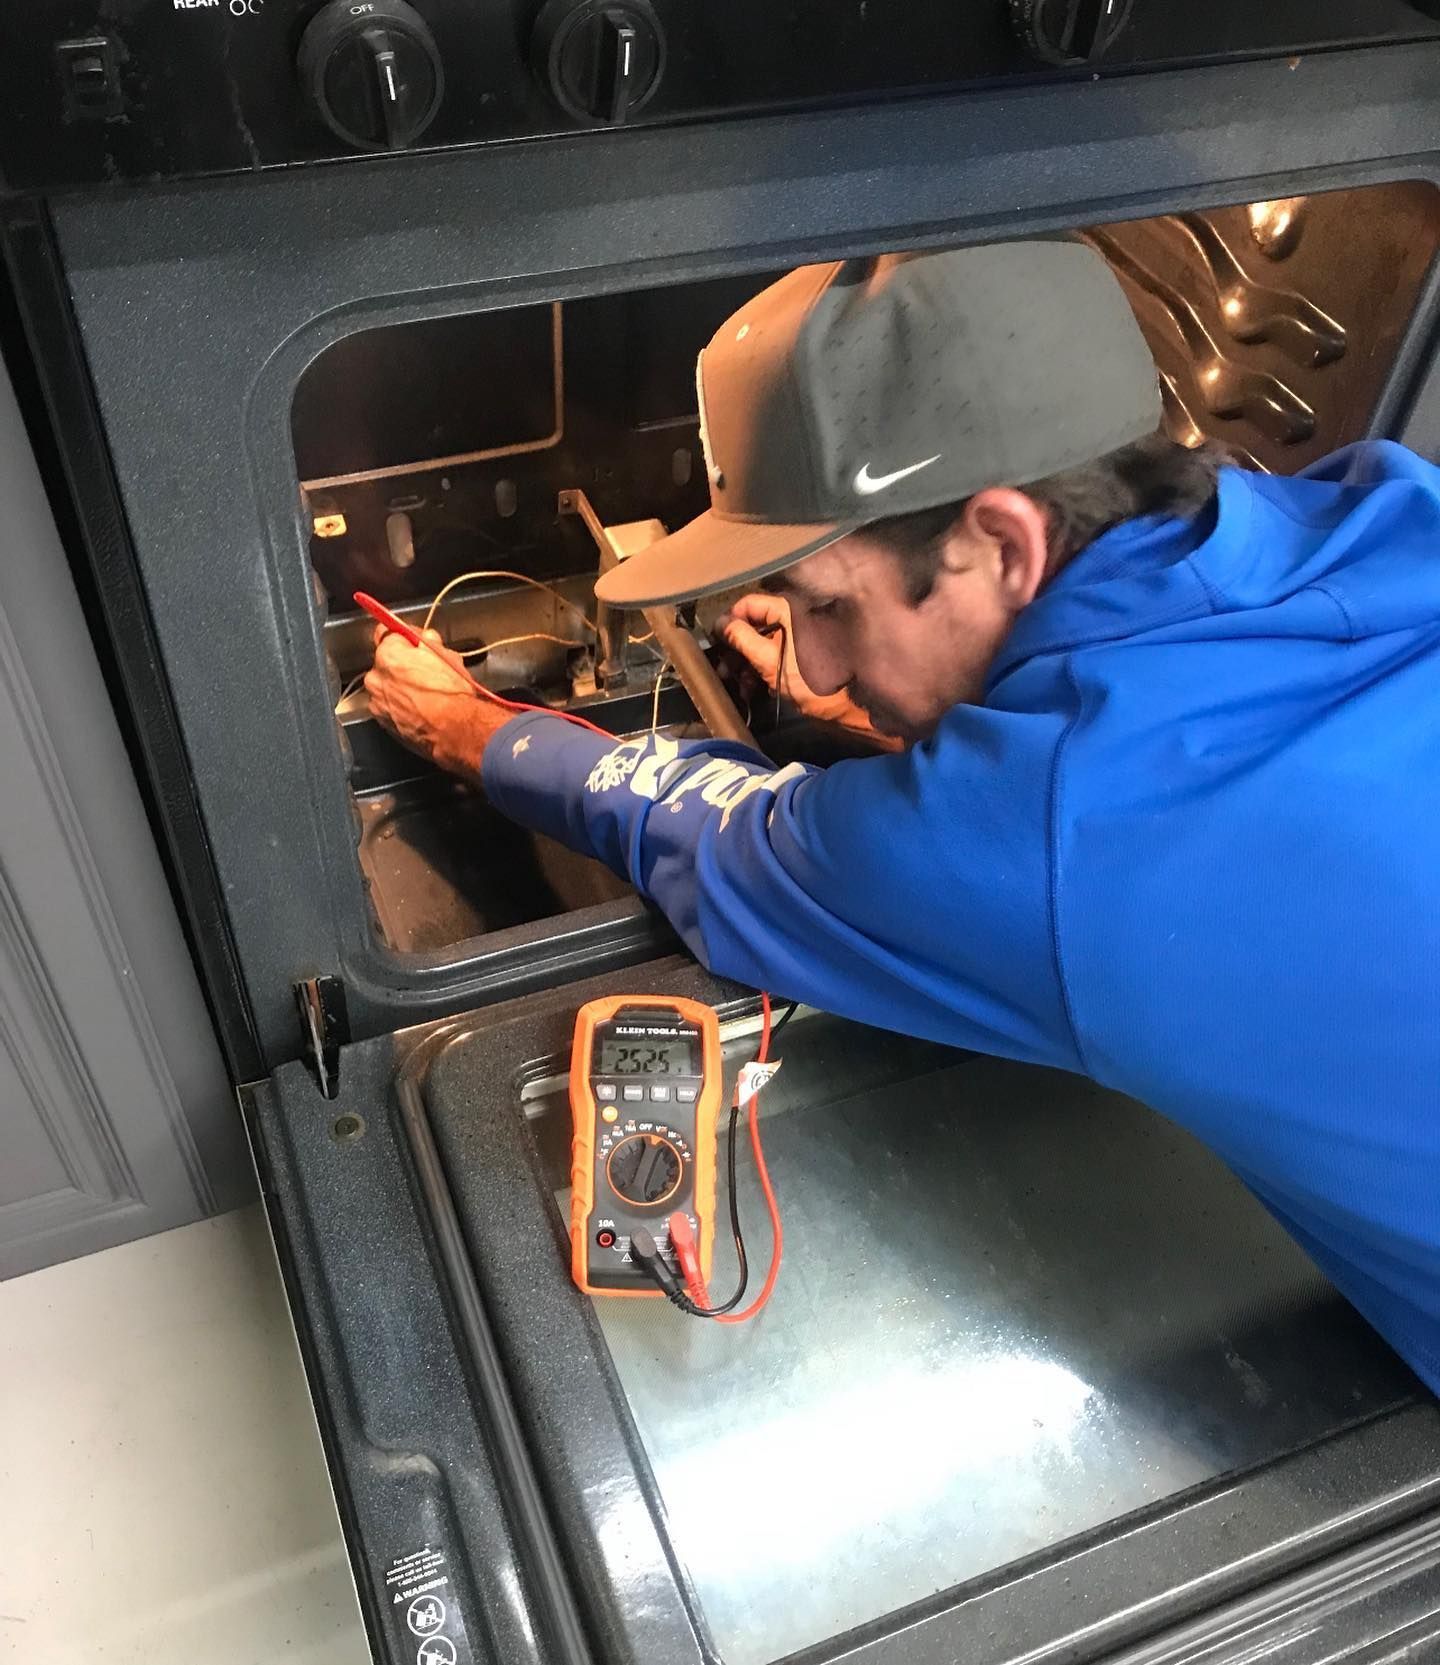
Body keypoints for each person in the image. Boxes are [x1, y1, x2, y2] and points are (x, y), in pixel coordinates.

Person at [366, 241, 1440, 1395]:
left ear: (1003, 542)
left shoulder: (1064, 839)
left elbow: (728, 843)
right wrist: (941, 698)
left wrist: (474, 733)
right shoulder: (1379, 505)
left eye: (832, 606)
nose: (816, 664)